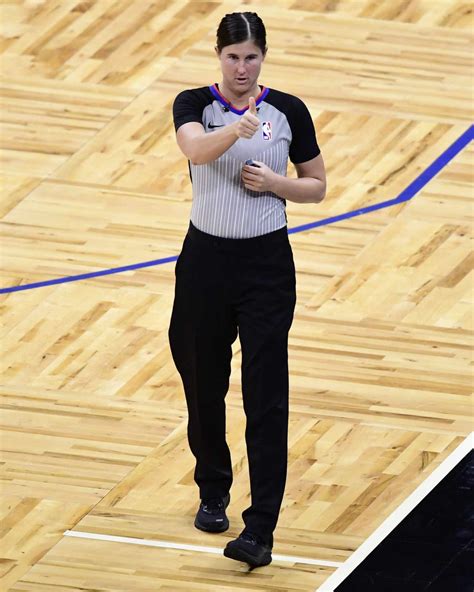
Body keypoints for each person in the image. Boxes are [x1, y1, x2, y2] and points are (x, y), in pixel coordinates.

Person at [168, 11, 326, 568]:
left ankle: (261, 528)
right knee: (201, 379)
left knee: (265, 395)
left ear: (263, 57)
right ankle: (214, 487)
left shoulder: (289, 111)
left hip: (265, 266)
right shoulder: (195, 104)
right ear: (219, 56)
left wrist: (277, 183)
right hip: (205, 262)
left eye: (251, 57)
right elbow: (193, 150)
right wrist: (232, 131)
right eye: (233, 57)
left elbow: (316, 186)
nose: (241, 68)